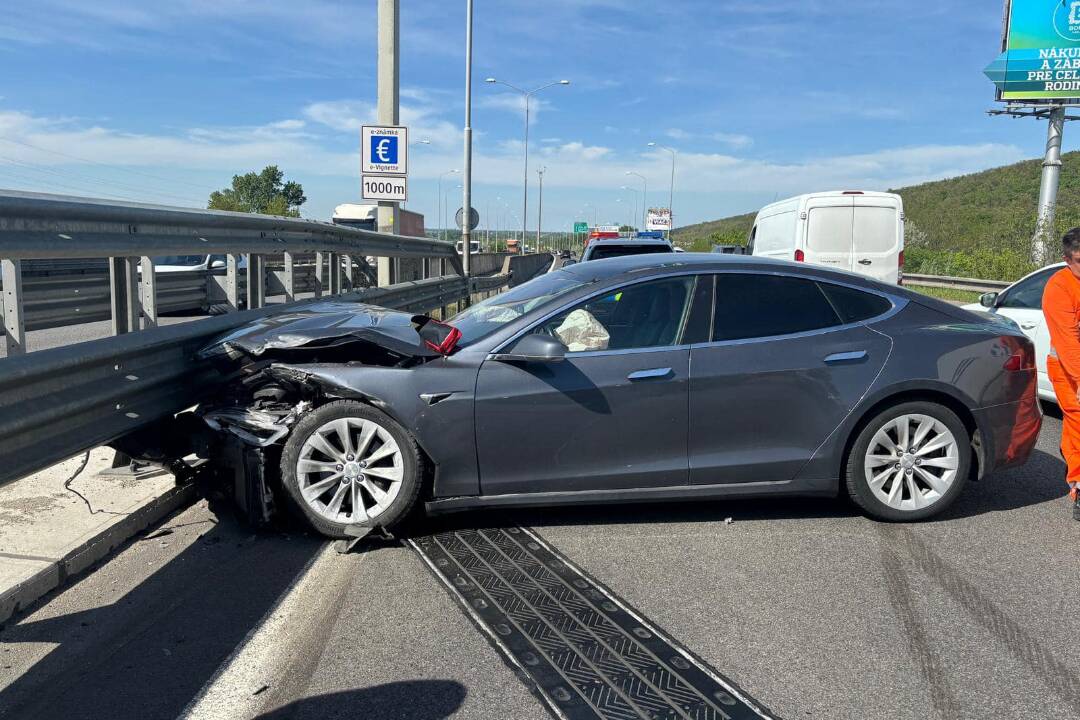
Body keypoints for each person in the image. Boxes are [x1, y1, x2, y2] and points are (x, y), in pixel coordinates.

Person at [1042, 227, 1080, 520]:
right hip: (1069, 368)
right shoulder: (1059, 288)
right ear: (1067, 259)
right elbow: (1068, 343)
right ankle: (1078, 486)